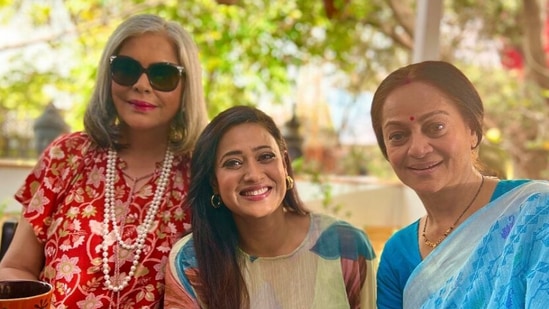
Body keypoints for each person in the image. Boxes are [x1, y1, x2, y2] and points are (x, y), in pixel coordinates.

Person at [0, 13, 208, 308]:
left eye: (163, 75)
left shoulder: (203, 176)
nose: (142, 85)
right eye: (126, 69)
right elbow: (16, 268)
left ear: (187, 86)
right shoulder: (67, 156)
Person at [370, 60, 549, 308]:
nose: (419, 149)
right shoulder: (397, 253)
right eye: (398, 135)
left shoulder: (537, 213)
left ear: (473, 131)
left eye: (436, 127)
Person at [163, 105, 377, 309]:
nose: (254, 175)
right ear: (213, 182)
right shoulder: (191, 261)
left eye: (265, 157)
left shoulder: (346, 246)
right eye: (233, 163)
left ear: (284, 164)